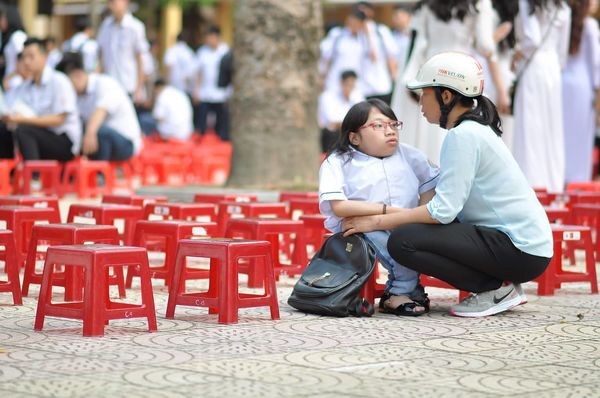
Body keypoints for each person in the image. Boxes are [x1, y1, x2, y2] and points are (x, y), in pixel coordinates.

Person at [342, 52, 553, 318]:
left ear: (446, 96)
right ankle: (498, 286)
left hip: (519, 248)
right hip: (526, 248)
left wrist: (375, 222)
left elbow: (441, 212)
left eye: (425, 94)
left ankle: (495, 288)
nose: (420, 103)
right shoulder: (475, 130)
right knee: (410, 231)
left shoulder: (463, 135)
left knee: (403, 241)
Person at [319, 98, 439, 316]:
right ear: (354, 137)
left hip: (405, 223)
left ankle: (407, 290)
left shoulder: (411, 155)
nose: (390, 131)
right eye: (378, 126)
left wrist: (416, 215)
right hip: (357, 228)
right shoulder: (339, 161)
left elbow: (429, 188)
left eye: (394, 125)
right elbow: (340, 207)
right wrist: (389, 212)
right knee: (389, 240)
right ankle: (399, 292)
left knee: (412, 238)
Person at [393, 0, 509, 164]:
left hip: (433, 73)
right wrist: (497, 36)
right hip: (461, 72)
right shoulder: (477, 3)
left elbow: (419, 44)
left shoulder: (427, 4)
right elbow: (485, 46)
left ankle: (433, 177)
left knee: (432, 129)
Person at [512, 0, 571, 192]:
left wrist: (518, 53)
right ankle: (553, 186)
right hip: (553, 69)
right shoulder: (563, 7)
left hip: (533, 67)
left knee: (530, 130)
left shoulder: (526, 2)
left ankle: (530, 187)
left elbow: (532, 40)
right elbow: (563, 53)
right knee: (551, 129)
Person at [0, 38, 81, 161]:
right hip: (38, 135)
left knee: (24, 130)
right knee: (4, 130)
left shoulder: (59, 81)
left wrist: (22, 119)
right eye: (24, 57)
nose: (26, 61)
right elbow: (9, 108)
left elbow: (59, 119)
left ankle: (34, 177)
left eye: (31, 56)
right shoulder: (25, 86)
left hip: (64, 141)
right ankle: (8, 174)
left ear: (44, 57)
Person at [56, 53, 141, 161]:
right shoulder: (75, 96)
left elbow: (100, 111)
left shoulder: (105, 83)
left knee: (98, 130)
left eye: (67, 84)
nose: (66, 89)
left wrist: (90, 131)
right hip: (100, 141)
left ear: (78, 75)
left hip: (126, 143)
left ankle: (99, 173)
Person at [562, 0, 600, 183]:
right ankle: (577, 182)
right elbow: (596, 65)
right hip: (582, 90)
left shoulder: (563, 19)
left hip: (562, 86)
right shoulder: (590, 26)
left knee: (563, 138)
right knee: (580, 141)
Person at [96, 0, 148, 106]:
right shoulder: (105, 26)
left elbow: (141, 60)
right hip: (109, 86)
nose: (111, 6)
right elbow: (100, 57)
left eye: (114, 2)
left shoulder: (135, 27)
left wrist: (139, 88)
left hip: (128, 86)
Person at [192, 25, 231, 140]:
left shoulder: (225, 51)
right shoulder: (202, 52)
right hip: (205, 93)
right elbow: (199, 73)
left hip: (221, 93)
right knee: (202, 125)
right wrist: (196, 91)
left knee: (221, 126)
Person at [318, 70, 364, 153]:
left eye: (352, 85)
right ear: (341, 83)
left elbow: (362, 118)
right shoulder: (328, 96)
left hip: (349, 134)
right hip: (331, 135)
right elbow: (332, 122)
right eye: (348, 84)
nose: (350, 88)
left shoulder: (357, 96)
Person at [0, 5, 26, 79]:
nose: (1, 22)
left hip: (15, 80)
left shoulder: (17, 36)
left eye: (2, 19)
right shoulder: (9, 37)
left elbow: (22, 60)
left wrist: (9, 77)